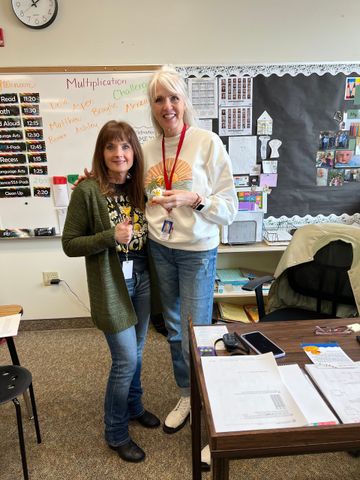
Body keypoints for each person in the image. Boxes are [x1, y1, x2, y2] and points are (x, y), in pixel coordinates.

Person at [143, 65, 238, 434]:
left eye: (173, 97)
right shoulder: (147, 149)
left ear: (184, 101)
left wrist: (195, 198)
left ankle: (207, 399)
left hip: (197, 250)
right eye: (159, 99)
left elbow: (230, 209)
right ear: (151, 106)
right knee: (174, 329)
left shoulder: (207, 142)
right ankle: (187, 393)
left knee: (196, 329)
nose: (167, 106)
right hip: (160, 247)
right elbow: (129, 188)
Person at [62, 120, 160, 464]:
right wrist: (108, 238)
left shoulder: (139, 188)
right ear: (101, 153)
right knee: (125, 360)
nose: (119, 154)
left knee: (138, 350)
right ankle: (116, 432)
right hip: (111, 282)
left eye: (125, 147)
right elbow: (70, 244)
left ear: (134, 152)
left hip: (143, 279)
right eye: (111, 147)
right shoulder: (88, 191)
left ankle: (134, 407)